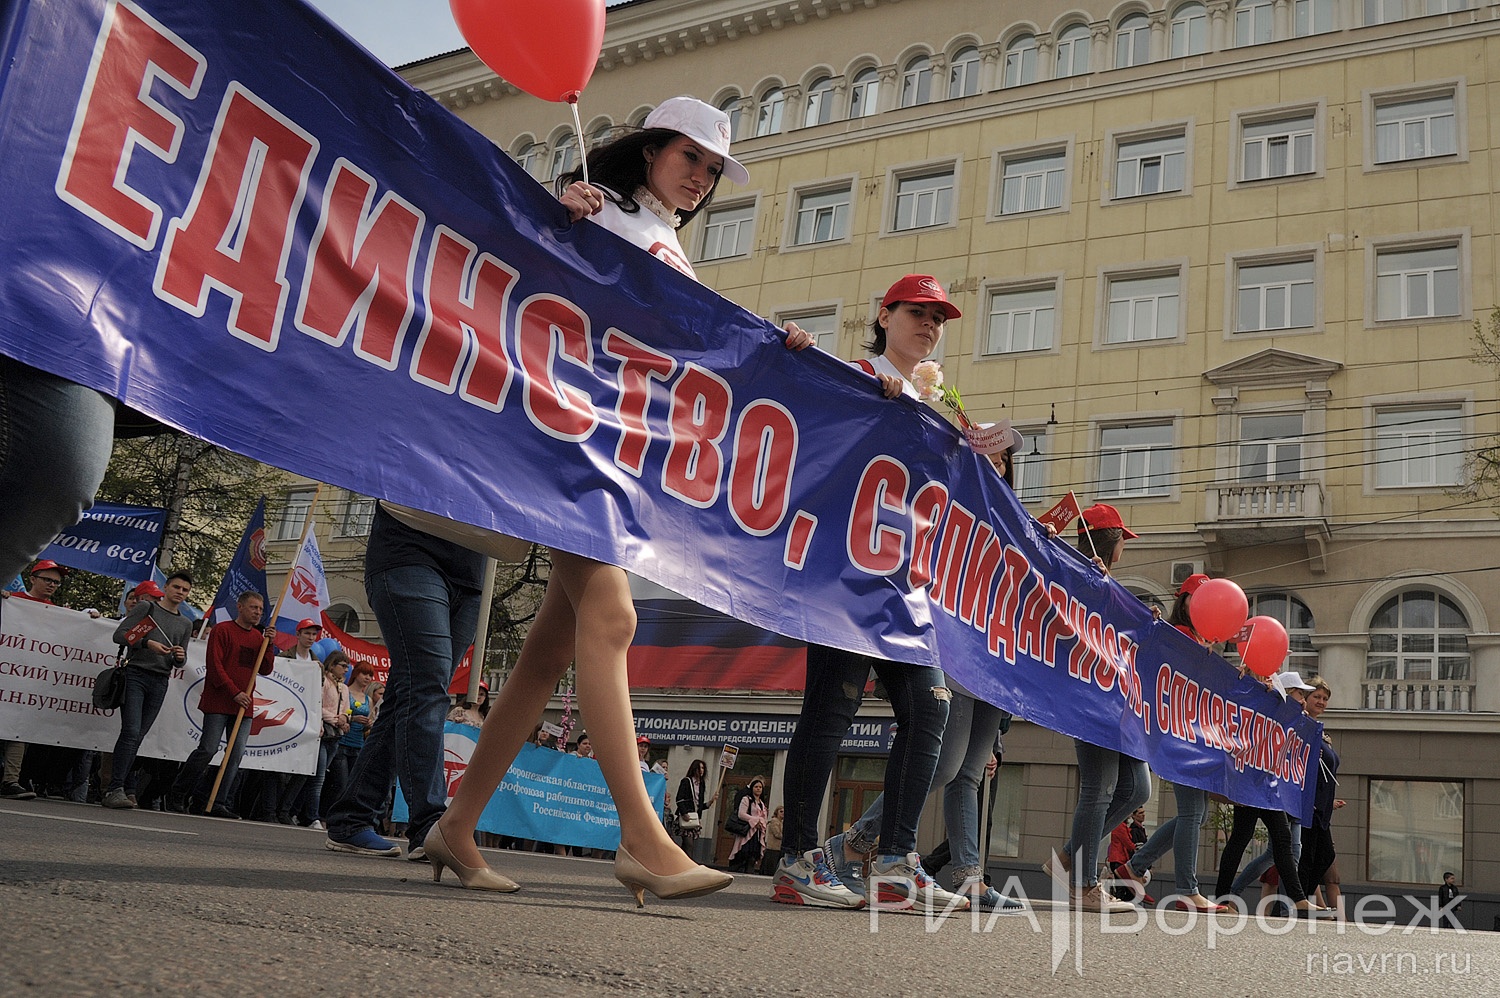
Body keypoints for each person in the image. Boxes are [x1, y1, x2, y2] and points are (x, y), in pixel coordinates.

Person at [428, 97, 795, 906]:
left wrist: (777, 343)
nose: (700, 178)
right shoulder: (594, 201)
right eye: (689, 158)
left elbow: (693, 339)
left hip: (621, 449)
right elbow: (524, 265)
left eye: (711, 169)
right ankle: (643, 837)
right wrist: (559, 212)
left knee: (548, 652)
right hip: (564, 433)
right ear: (650, 149)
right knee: (616, 620)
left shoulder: (667, 242)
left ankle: (457, 826)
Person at [775, 275, 975, 914]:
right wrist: (801, 358)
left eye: (938, 318)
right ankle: (797, 860)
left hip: (904, 586)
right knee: (830, 714)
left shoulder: (937, 399)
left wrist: (985, 453)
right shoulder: (853, 373)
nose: (928, 325)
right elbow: (797, 417)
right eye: (917, 313)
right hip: (841, 576)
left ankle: (894, 863)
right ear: (884, 316)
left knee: (931, 712)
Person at [822, 432, 1028, 914]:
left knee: (971, 773)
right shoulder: (946, 507)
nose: (997, 466)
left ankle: (969, 876)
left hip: (997, 658)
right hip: (956, 647)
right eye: (990, 457)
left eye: (1004, 461)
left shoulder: (1012, 523)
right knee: (945, 765)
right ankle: (854, 841)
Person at [323, 503, 485, 860]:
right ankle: (432, 826)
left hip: (473, 574)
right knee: (428, 690)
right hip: (409, 554)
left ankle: (351, 819)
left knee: (405, 696)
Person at [1042, 505, 1150, 913]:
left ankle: (1070, 857)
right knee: (1099, 789)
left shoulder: (1104, 580)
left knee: (1137, 788)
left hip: (1117, 699)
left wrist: (1143, 620)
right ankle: (1084, 884)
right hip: (1087, 696)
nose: (1126, 545)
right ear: (1111, 538)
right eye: (1123, 537)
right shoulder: (1076, 571)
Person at [1117, 575, 1228, 913]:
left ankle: (1135, 866)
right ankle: (1187, 889)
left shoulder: (1199, 640)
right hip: (1177, 734)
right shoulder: (1179, 636)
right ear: (1185, 602)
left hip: (1194, 735)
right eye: (1200, 598)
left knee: (1197, 813)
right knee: (1193, 811)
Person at [164, 591, 277, 817]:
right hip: (220, 700)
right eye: (254, 607)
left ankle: (213, 800)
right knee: (207, 749)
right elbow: (215, 668)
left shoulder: (257, 638)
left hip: (243, 705)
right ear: (240, 607)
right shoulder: (222, 630)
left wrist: (269, 644)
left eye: (261, 610)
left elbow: (265, 669)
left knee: (235, 755)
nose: (258, 613)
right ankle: (177, 792)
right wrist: (234, 692)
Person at [103, 570, 195, 809]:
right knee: (131, 731)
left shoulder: (185, 623)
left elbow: (179, 661)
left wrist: (179, 657)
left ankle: (120, 787)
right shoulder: (148, 610)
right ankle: (114, 788)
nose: (180, 593)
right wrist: (146, 642)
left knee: (138, 735)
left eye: (185, 590)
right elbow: (120, 635)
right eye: (176, 587)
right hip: (136, 675)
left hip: (160, 680)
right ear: (166, 588)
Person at [1229, 669, 1317, 905]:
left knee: (1281, 838)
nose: (1304, 701)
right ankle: (1224, 898)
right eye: (1300, 695)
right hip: (1251, 782)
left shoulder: (1290, 720)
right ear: (1287, 695)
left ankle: (1298, 899)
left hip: (1268, 786)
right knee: (1241, 838)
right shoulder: (1265, 710)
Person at [0, 560, 73, 799]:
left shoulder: (57, 612)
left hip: (30, 682)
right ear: (33, 578)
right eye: (47, 580)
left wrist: (88, 619)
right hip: (7, 674)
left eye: (56, 582)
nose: (52, 585)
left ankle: (11, 780)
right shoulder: (13, 601)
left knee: (18, 729)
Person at [1297, 676, 1344, 912]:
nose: (1321, 701)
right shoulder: (1302, 725)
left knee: (1323, 856)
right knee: (1311, 856)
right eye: (1317, 696)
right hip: (1308, 805)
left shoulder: (1321, 733)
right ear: (1305, 698)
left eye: (1325, 698)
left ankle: (1298, 899)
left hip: (1323, 808)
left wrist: (1330, 801)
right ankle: (1297, 902)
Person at [324, 660, 377, 832]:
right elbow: (340, 711)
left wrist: (368, 724)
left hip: (358, 744)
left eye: (370, 675)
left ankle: (340, 817)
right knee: (339, 782)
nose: (367, 678)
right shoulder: (346, 691)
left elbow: (369, 724)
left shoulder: (368, 699)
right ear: (356, 674)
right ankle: (327, 815)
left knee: (351, 785)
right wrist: (352, 719)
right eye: (364, 674)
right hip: (342, 742)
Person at [305, 652, 351, 829]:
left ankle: (316, 813)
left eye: (347, 666)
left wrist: (345, 720)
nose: (345, 670)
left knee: (329, 778)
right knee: (318, 777)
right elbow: (318, 705)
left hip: (336, 735)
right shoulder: (324, 681)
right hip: (323, 731)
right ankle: (312, 816)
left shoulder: (344, 688)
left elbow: (346, 710)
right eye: (342, 665)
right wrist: (335, 719)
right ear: (332, 665)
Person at [728, 778, 769, 873]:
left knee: (754, 855)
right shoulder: (746, 799)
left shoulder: (762, 803)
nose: (758, 789)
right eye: (756, 787)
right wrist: (755, 821)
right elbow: (741, 814)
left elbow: (764, 817)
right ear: (752, 788)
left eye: (760, 787)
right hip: (747, 832)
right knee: (744, 852)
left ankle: (749, 871)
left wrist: (761, 823)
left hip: (757, 834)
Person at [674, 758, 715, 853]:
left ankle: (682, 863)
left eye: (703, 768)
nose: (701, 770)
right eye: (699, 768)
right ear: (694, 769)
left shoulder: (702, 784)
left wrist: (710, 802)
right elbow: (679, 798)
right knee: (689, 844)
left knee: (687, 845)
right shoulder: (686, 781)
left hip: (694, 818)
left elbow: (699, 805)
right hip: (686, 816)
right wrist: (684, 813)